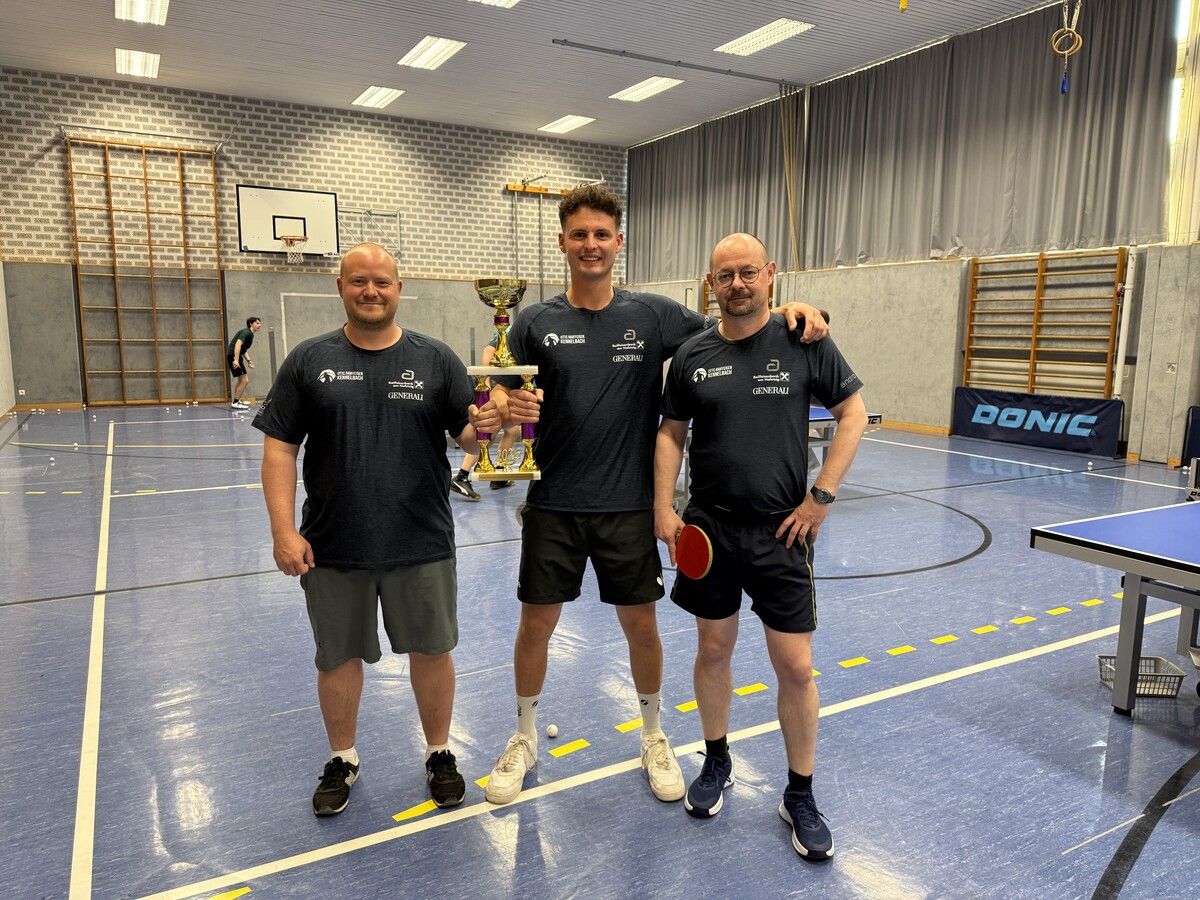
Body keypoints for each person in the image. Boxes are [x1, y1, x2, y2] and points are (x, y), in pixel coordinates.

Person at [473, 185, 830, 807]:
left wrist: (793, 308)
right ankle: (524, 735)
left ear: (618, 242)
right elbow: (501, 404)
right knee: (536, 625)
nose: (591, 245)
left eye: (602, 235)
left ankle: (654, 734)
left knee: (642, 627)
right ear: (563, 243)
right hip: (553, 503)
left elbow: (737, 324)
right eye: (579, 235)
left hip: (631, 506)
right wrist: (504, 405)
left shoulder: (655, 316)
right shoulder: (532, 322)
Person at [653, 233, 868, 860]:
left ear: (769, 275)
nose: (738, 284)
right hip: (711, 530)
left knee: (795, 666)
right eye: (726, 275)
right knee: (713, 648)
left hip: (783, 529)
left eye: (749, 272)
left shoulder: (805, 338)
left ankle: (799, 792)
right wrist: (663, 507)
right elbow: (671, 432)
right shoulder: (692, 355)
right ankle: (716, 759)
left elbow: (853, 413)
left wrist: (821, 496)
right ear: (710, 283)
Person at [253, 243, 486, 817]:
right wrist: (284, 531)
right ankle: (343, 758)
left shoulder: (435, 360)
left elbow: (471, 442)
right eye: (359, 281)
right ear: (341, 288)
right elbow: (280, 448)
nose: (371, 291)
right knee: (336, 658)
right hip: (334, 544)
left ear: (399, 289)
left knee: (432, 651)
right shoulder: (309, 360)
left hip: (422, 540)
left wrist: (491, 426)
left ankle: (438, 752)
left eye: (382, 282)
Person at [451, 333, 519, 500]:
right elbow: (489, 349)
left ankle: (500, 475)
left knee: (512, 430)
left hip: (508, 385)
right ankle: (462, 475)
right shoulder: (513, 329)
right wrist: (486, 381)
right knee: (487, 430)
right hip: (499, 386)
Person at [227, 316, 262, 410]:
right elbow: (238, 344)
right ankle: (235, 402)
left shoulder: (250, 334)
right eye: (257, 323)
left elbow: (243, 349)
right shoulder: (247, 332)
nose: (259, 325)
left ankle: (235, 400)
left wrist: (249, 361)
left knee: (240, 381)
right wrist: (236, 360)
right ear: (251, 324)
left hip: (234, 356)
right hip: (233, 356)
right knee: (245, 380)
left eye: (260, 323)